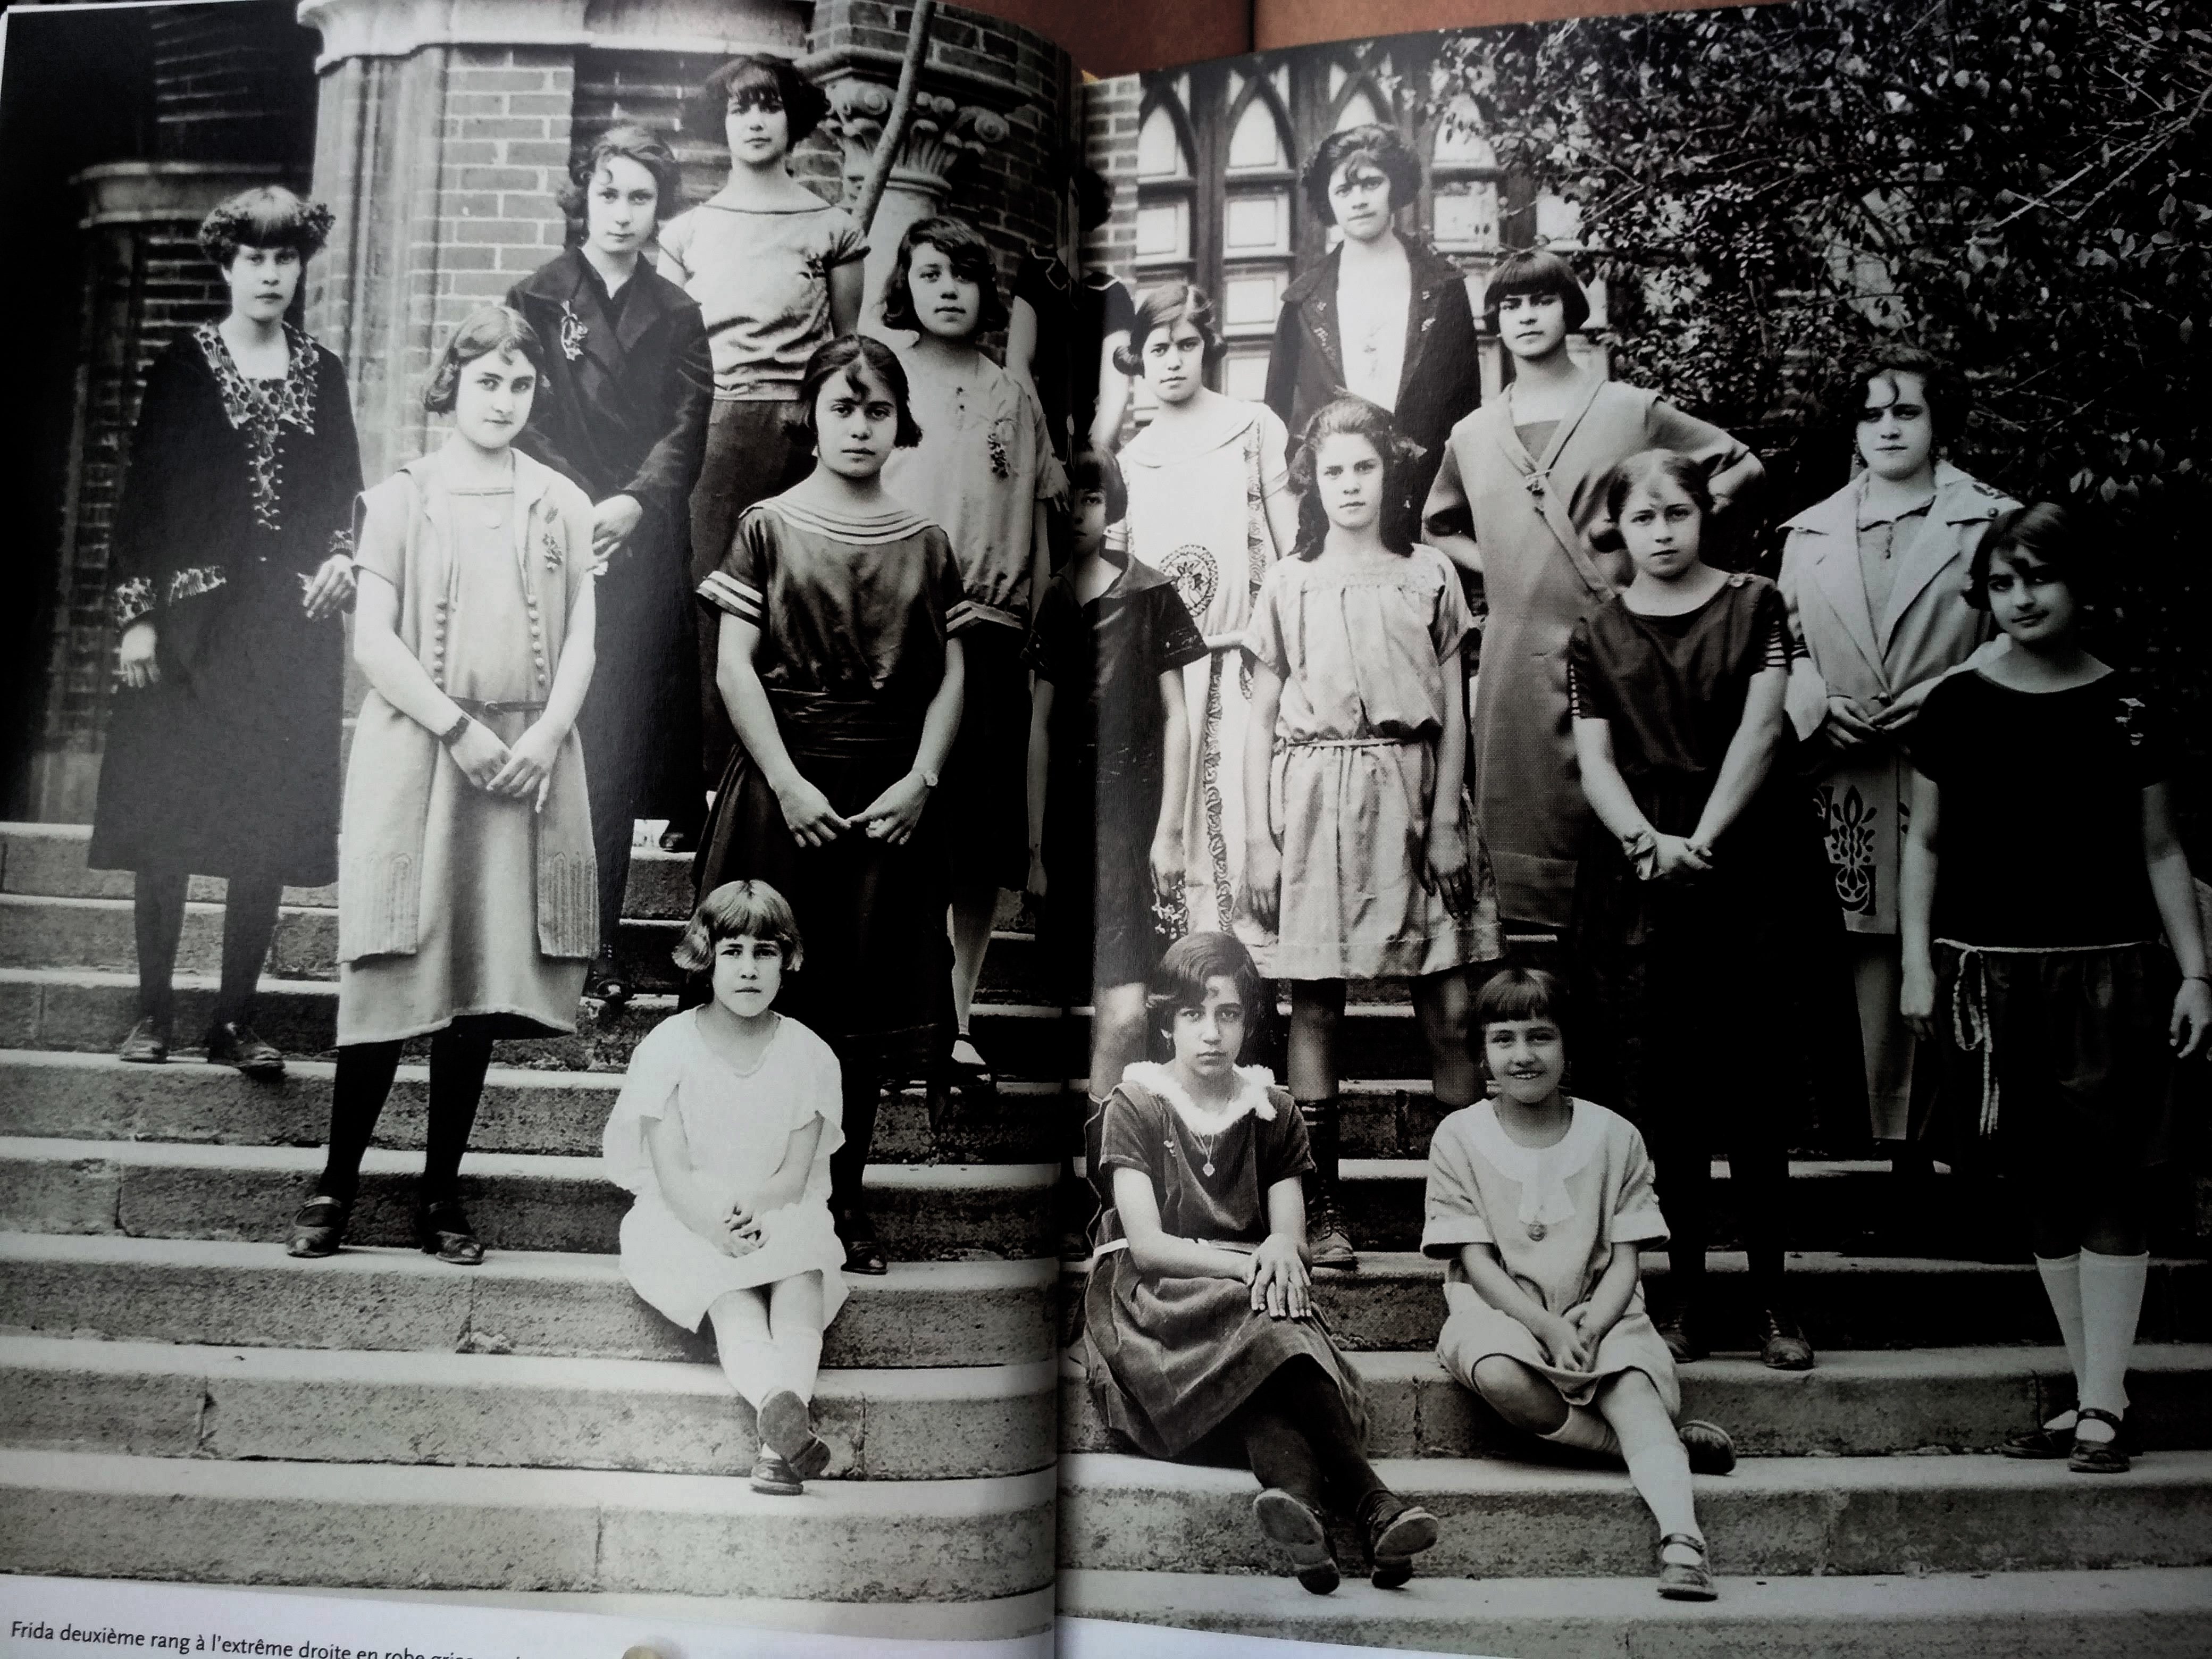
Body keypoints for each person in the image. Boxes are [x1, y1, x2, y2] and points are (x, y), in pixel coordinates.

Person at [1899, 503, 2210, 1474]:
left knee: (2111, 1180)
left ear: (2082, 586)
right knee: (2037, 1184)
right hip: (1990, 978)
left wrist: (2197, 972)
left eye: (2039, 577)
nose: (2020, 598)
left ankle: (2104, 1403)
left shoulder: (2130, 706)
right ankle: (2096, 1396)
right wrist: (1916, 963)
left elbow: (2162, 848)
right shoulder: (1955, 705)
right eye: (2001, 582)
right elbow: (1926, 843)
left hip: (2110, 975)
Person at [287, 305, 599, 1266]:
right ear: (451, 386)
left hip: (522, 760)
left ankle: (440, 1192)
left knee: (479, 978)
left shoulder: (561, 501)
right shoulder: (400, 499)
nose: (503, 401)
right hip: (424, 752)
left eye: (520, 384)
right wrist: (456, 729)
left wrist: (545, 735)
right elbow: (375, 643)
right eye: (486, 383)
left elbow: (584, 639)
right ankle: (336, 1182)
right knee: (392, 968)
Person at [692, 334, 968, 1278]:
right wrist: (785, 781)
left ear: (901, 424)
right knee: (766, 991)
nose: (859, 427)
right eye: (843, 408)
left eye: (878, 410)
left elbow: (952, 676)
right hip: (785, 791)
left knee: (861, 1006)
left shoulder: (927, 541)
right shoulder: (766, 526)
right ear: (810, 415)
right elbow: (734, 667)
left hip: (885, 799)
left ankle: (843, 1199)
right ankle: (744, 1195)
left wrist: (922, 779)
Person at [1566, 450, 1847, 1369]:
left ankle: (1773, 1298)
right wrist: (1647, 843)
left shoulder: (1754, 603)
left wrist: (1706, 838)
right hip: (1640, 876)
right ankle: (1683, 1293)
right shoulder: (1598, 630)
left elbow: (1763, 729)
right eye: (1643, 518)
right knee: (1669, 1100)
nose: (1662, 533)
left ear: (1703, 516)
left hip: (1749, 867)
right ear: (1619, 528)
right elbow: (1595, 759)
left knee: (1755, 1091)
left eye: (1677, 513)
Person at [90, 185, 363, 1075]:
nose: (271, 274)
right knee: (168, 818)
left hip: (287, 633)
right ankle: (154, 1015)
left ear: (301, 267)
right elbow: (142, 498)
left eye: (286, 258)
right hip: (187, 632)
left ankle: (235, 1022)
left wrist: (344, 559)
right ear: (228, 265)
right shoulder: (182, 366)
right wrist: (136, 620)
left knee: (266, 825)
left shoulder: (324, 371)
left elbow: (345, 498)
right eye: (255, 258)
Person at [1082, 931, 1442, 1594]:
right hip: (1158, 1301)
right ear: (1165, 1022)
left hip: (1245, 1298)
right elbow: (1149, 1247)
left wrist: (1281, 1246)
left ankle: (1302, 1512)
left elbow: (1289, 1239)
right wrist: (1251, 1266)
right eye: (1192, 1014)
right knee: (1271, 1323)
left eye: (1227, 1014)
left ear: (1249, 1020)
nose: (1210, 1033)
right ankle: (1372, 1501)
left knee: (1261, 1365)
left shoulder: (1272, 1110)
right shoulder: (1135, 1104)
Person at [1422, 250, 1763, 939]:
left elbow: (1741, 467)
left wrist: (1661, 543)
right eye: (1511, 305)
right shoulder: (1472, 434)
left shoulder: (1631, 411)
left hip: (1621, 649)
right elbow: (1436, 526)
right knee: (1523, 847)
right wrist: (1505, 567)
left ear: (1571, 310)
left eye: (1542, 301)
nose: (1526, 317)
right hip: (1516, 664)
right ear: (1495, 321)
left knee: (1632, 835)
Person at [1241, 398, 1501, 1270]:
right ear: (1311, 480)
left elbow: (1455, 711)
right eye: (1333, 470)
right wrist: (1259, 839)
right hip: (1316, 800)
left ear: (1391, 473)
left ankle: (1461, 1211)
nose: (1350, 484)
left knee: (1452, 1006)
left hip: (1417, 795)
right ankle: (1323, 1213)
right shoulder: (1289, 582)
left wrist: (1448, 821)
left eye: (1365, 467)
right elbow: (1260, 719)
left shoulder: (1430, 573)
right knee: (1317, 1004)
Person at [1779, 347, 2021, 1215]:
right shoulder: (1810, 532)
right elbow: (1784, 644)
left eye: (1906, 412)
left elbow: (2021, 631)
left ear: (1938, 422)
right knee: (1859, 960)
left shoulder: (1990, 519)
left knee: (1950, 948)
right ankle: (1878, 1159)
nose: (1887, 429)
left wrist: (1951, 692)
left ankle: (1960, 1153)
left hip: (1950, 772)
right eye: (1871, 415)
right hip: (1843, 773)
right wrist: (1819, 703)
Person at [1425, 967, 1738, 1599]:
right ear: (1481, 1053)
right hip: (1504, 1313)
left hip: (1603, 1311)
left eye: (1540, 1037)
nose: (1522, 1055)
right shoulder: (1458, 1136)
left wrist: (1593, 1323)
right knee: (1498, 1373)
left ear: (1568, 1048)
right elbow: (1475, 1262)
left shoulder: (1614, 1136)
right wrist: (1543, 1325)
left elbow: (1625, 1259)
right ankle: (1647, 1452)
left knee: (1633, 1388)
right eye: (1503, 1039)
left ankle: (1682, 1541)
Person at [508, 123, 714, 1005]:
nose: (623, 212)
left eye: (640, 197)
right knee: (539, 726)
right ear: (583, 197)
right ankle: (517, 934)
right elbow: (523, 412)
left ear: (660, 207)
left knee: (618, 746)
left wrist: (633, 503)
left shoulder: (678, 313)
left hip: (642, 542)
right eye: (608, 193)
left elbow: (688, 426)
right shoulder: (537, 295)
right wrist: (580, 502)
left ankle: (595, 941)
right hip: (555, 535)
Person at [657, 55, 866, 847]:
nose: (753, 120)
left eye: (769, 105)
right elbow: (674, 359)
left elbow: (845, 350)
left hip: (798, 436)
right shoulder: (686, 233)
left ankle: (792, 786)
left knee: (797, 608)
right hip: (710, 434)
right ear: (721, 122)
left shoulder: (833, 228)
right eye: (739, 107)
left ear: (793, 119)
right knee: (711, 609)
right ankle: (704, 795)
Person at [879, 216, 1063, 1090]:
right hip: (896, 633)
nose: (947, 289)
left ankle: (955, 1021)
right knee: (898, 828)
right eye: (929, 274)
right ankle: (889, 1017)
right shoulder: (883, 377)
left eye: (962, 275)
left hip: (991, 632)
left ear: (986, 291)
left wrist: (1038, 624)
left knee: (978, 846)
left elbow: (1036, 521)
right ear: (905, 286)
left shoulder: (1012, 395)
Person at [603, 880, 848, 1495]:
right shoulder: (668, 1048)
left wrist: (755, 1210)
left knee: (802, 1279)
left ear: (786, 961)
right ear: (705, 958)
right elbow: (671, 1173)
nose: (748, 969)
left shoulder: (810, 1055)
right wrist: (715, 1227)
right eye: (732, 951)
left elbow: (794, 1176)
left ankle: (777, 1442)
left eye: (765, 953)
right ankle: (777, 1413)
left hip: (775, 1205)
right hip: (687, 1213)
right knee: (732, 1295)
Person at [1024, 446, 1206, 1253]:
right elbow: (1038, 726)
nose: (1079, 513)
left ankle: (1106, 1192)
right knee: (1080, 1008)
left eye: (1093, 498)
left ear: (1115, 506)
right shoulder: (1054, 600)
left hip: (1133, 815)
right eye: (1067, 500)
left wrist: (1171, 831)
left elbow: (1178, 719)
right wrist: (1033, 846)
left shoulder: (1151, 591)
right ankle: (1089, 1192)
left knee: (1127, 1013)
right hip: (1069, 818)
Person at [1115, 284, 1299, 934]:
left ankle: (1264, 983)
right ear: (1138, 358)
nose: (1172, 361)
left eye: (1186, 345)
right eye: (1156, 349)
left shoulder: (1252, 427)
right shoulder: (1130, 462)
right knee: (1177, 852)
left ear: (1207, 348)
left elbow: (1291, 551)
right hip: (1168, 684)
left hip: (1252, 665)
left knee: (1259, 827)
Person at [1264, 125, 1480, 545]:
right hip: (1333, 521)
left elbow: (1467, 411)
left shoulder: (1443, 289)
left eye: (1371, 183)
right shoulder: (1303, 303)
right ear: (1328, 199)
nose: (1359, 199)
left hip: (1429, 513)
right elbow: (1277, 420)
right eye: (1344, 190)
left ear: (1394, 186)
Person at [1008, 159, 1136, 464]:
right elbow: (1017, 361)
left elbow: (1115, 391)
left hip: (1090, 436)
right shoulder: (1037, 269)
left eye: (1084, 203)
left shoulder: (1113, 294)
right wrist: (1044, 449)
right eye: (1071, 201)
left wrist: (1092, 458)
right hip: (1037, 427)